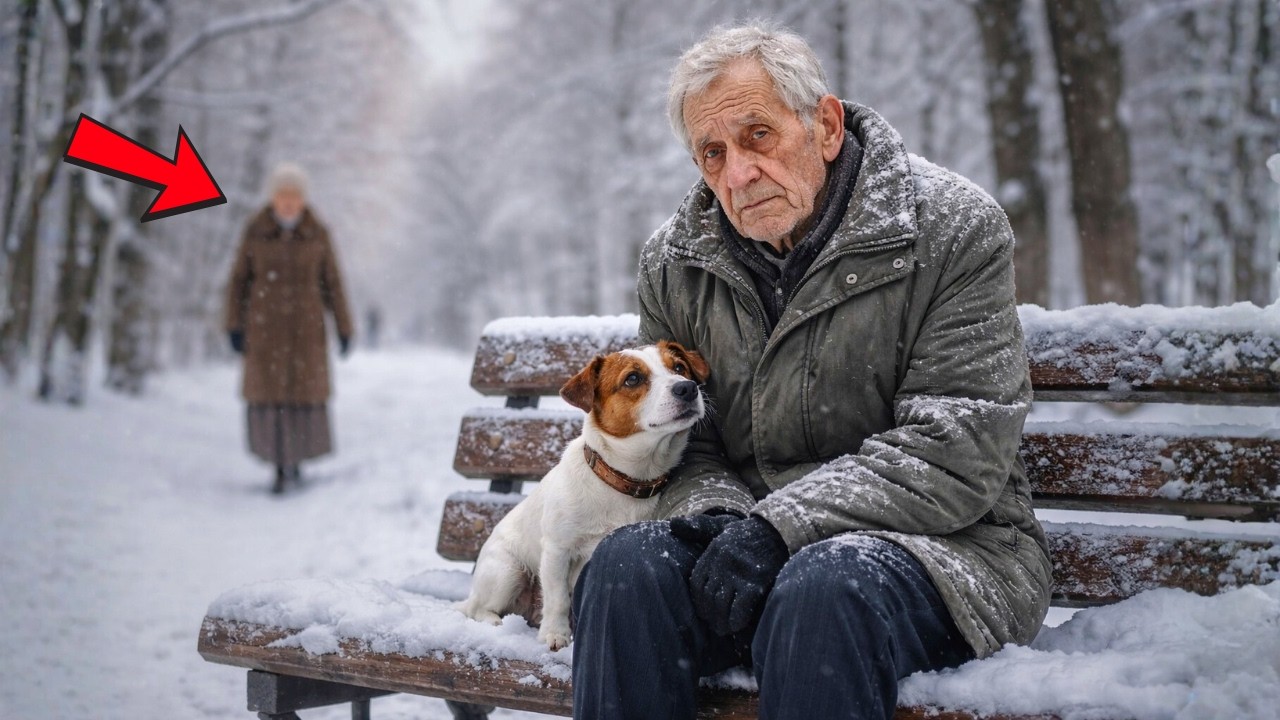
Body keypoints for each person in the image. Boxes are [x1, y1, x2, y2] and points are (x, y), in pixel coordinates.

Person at [571, 22, 1052, 720]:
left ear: (824, 126)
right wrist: (720, 521)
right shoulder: (676, 261)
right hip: (749, 539)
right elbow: (682, 442)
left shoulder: (952, 229)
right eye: (713, 152)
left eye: (757, 135)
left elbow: (957, 447)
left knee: (824, 587)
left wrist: (781, 529)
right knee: (625, 572)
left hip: (945, 551)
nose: (737, 173)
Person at [225, 163, 354, 495]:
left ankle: (296, 462)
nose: (288, 202)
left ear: (303, 199)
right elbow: (238, 281)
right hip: (264, 332)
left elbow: (333, 283)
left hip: (305, 333)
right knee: (270, 400)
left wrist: (344, 327)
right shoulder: (255, 230)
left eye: (294, 196)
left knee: (300, 398)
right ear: (273, 198)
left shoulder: (318, 233)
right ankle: (279, 466)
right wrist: (233, 325)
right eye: (283, 195)